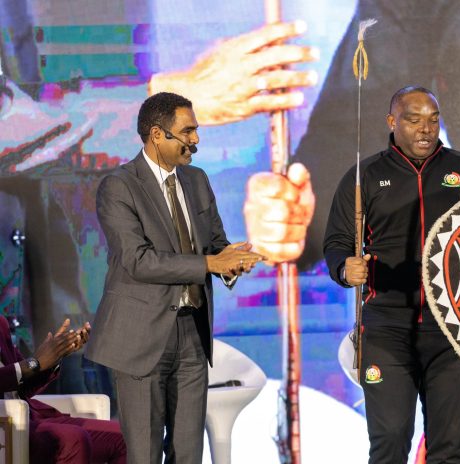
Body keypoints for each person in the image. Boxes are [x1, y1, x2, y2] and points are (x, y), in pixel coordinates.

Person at [84, 92, 265, 463]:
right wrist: (209, 265)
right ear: (156, 134)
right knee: (146, 453)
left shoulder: (197, 180)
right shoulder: (119, 186)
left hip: (191, 336)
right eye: (188, 131)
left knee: (188, 453)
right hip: (140, 337)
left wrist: (234, 261)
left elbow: (215, 245)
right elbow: (139, 261)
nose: (196, 140)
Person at [323, 86, 460, 463]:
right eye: (414, 119)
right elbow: (337, 241)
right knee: (390, 440)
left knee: (448, 449)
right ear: (392, 122)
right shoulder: (365, 175)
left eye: (433, 119)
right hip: (386, 328)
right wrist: (343, 267)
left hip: (453, 329)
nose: (425, 129)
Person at [0, 316, 126, 463]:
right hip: (7, 425)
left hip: (29, 419)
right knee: (73, 439)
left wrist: (55, 355)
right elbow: (26, 368)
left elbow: (22, 386)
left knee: (124, 438)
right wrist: (34, 364)